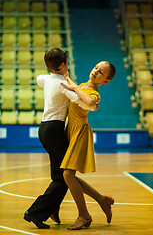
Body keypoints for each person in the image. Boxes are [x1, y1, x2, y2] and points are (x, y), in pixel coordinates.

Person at [23, 48, 97, 229]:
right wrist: (77, 90)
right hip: (55, 130)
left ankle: (52, 210)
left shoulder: (47, 79)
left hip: (44, 129)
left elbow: (39, 79)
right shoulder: (62, 85)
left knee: (61, 174)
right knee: (63, 177)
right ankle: (35, 212)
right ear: (63, 65)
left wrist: (54, 75)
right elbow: (85, 103)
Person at [60, 61, 116, 230]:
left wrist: (75, 88)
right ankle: (101, 199)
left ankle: (84, 215)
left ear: (105, 81)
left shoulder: (94, 93)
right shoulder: (83, 85)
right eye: (96, 68)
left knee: (68, 175)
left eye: (101, 73)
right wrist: (65, 75)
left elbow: (90, 102)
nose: (96, 71)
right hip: (71, 130)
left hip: (81, 133)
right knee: (69, 176)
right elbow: (72, 85)